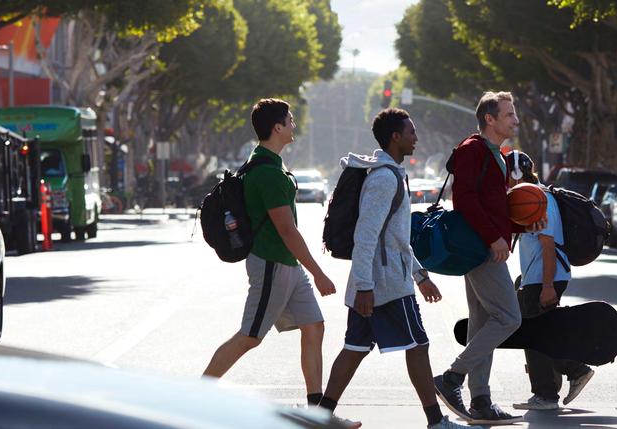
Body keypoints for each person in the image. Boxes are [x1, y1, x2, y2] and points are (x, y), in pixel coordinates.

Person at [317, 108, 476, 429]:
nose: (416, 138)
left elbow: (397, 240)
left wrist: (421, 276)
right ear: (395, 137)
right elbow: (366, 235)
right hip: (385, 284)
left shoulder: (391, 175)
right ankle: (436, 422)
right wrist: (364, 285)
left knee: (355, 347)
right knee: (418, 345)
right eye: (411, 132)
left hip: (382, 280)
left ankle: (319, 417)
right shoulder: (383, 179)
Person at [202, 99, 337, 409]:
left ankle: (317, 413)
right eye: (290, 120)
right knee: (250, 337)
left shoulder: (269, 164)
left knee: (314, 326)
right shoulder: (268, 174)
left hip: (288, 265)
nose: (294, 125)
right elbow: (287, 230)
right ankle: (198, 395)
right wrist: (318, 273)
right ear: (277, 127)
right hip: (271, 264)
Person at [433, 91, 544, 425]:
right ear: (490, 119)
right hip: (481, 249)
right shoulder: (474, 150)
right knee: (509, 318)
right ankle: (452, 378)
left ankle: (481, 401)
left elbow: (491, 207)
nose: (515, 120)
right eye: (509, 114)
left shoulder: (496, 154)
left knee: (482, 322)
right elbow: (463, 200)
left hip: (490, 245)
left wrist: (518, 226)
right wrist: (494, 236)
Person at [504, 150, 595, 411]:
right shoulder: (526, 197)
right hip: (535, 278)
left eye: (505, 173)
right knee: (541, 334)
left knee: (534, 336)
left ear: (515, 173)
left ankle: (555, 387)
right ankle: (560, 381)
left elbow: (547, 245)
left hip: (546, 278)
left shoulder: (537, 198)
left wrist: (546, 286)